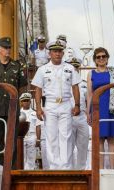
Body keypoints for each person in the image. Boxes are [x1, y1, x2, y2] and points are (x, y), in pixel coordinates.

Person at [31, 39, 81, 169]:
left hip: (65, 104)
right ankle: (54, 167)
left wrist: (77, 105)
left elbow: (75, 87)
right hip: (50, 106)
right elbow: (38, 89)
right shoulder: (42, 69)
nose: (57, 54)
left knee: (66, 136)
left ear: (63, 53)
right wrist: (38, 108)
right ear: (50, 53)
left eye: (59, 51)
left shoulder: (70, 68)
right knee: (51, 136)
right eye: (54, 51)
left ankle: (66, 167)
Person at [0, 37, 28, 166]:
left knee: (12, 140)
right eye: (5, 48)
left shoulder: (17, 67)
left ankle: (11, 170)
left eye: (9, 47)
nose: (8, 50)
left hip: (12, 108)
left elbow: (23, 86)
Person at [87, 47, 114, 169]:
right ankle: (100, 169)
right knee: (100, 139)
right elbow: (89, 94)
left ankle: (113, 169)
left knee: (112, 139)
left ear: (107, 58)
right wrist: (88, 112)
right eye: (98, 57)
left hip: (112, 108)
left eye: (104, 56)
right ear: (95, 60)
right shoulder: (91, 74)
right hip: (98, 108)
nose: (101, 58)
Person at [66, 57, 89, 170]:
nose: (74, 69)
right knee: (67, 146)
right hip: (67, 117)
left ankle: (81, 170)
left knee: (83, 145)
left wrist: (88, 114)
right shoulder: (64, 83)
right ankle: (69, 170)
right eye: (72, 67)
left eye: (76, 67)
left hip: (82, 117)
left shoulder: (84, 84)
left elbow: (87, 100)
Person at [20, 93, 41, 170]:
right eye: (24, 101)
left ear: (30, 102)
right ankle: (23, 174)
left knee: (31, 158)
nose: (25, 102)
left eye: (27, 100)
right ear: (21, 102)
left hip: (32, 136)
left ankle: (29, 175)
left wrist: (38, 139)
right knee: (22, 157)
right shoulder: (17, 113)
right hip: (21, 137)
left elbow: (38, 126)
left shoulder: (35, 113)